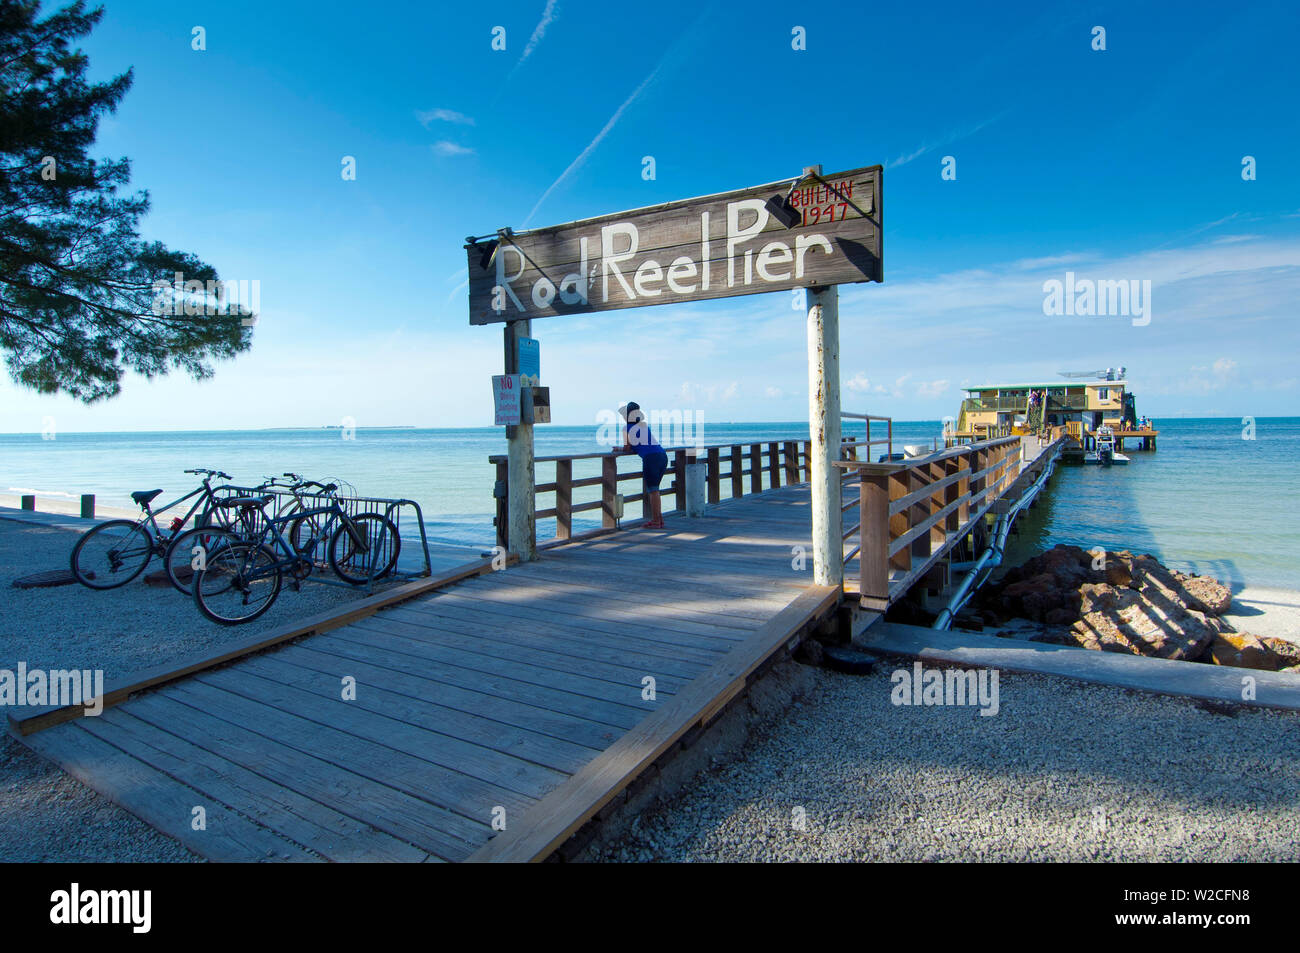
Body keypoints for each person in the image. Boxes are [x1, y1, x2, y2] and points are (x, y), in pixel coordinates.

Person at [618, 402, 669, 529]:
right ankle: (659, 519)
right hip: (662, 456)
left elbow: (627, 448)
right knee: (655, 490)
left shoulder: (626, 428)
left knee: (653, 490)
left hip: (650, 459)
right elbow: (639, 445)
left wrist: (618, 449)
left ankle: (656, 521)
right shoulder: (643, 426)